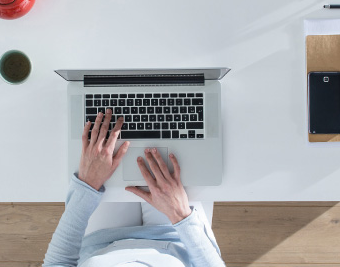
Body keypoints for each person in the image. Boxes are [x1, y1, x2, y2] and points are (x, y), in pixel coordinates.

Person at [42, 109, 226, 267]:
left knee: (106, 145)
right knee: (185, 149)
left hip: (103, 240)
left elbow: (57, 262)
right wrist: (180, 214)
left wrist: (88, 185)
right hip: (177, 236)